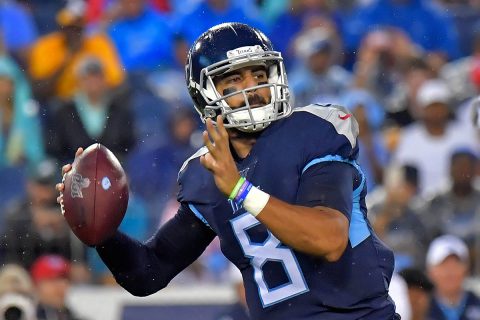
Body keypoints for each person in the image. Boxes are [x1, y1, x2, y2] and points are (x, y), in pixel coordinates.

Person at [57, 23, 399, 319]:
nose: (253, 88)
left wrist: (240, 189)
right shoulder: (204, 172)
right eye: (234, 80)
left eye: (260, 74)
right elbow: (148, 273)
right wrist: (98, 230)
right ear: (204, 94)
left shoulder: (315, 132)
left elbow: (328, 239)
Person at [426, 235, 480, 320]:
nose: (450, 272)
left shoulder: (477, 304)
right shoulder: (419, 309)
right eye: (443, 265)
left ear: (467, 269)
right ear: (430, 271)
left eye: (456, 265)